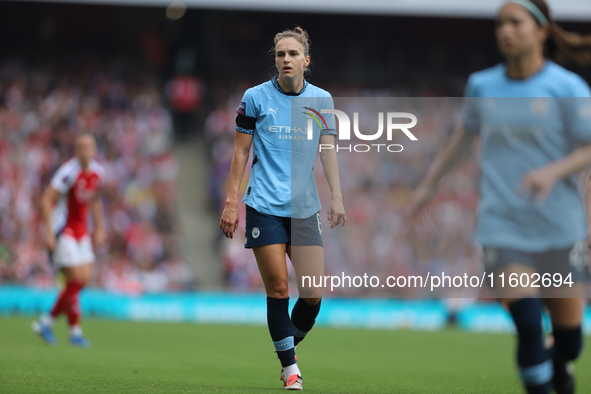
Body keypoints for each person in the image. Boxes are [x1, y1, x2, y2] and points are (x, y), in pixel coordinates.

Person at [406, 1, 591, 393]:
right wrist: (428, 185)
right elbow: (463, 137)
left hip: (560, 227)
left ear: (541, 30)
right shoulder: (483, 85)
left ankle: (558, 362)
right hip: (502, 226)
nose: (505, 30)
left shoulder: (567, 88)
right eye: (500, 23)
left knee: (571, 341)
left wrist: (552, 171)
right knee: (526, 323)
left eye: (515, 22)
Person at [219, 26, 346, 390]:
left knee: (312, 296)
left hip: (305, 208)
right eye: (280, 54)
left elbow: (328, 149)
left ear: (306, 60)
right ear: (275, 59)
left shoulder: (322, 100)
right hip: (263, 205)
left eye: (292, 54)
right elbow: (240, 153)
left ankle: (286, 348)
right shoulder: (255, 98)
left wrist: (336, 195)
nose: (285, 60)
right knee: (278, 290)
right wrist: (231, 204)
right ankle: (291, 370)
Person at [32, 133, 106, 348]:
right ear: (76, 150)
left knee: (83, 280)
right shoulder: (68, 172)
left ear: (94, 150)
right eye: (80, 147)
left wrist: (100, 228)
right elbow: (46, 199)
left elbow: (96, 200)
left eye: (88, 147)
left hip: (82, 231)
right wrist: (48, 233)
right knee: (75, 279)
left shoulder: (98, 172)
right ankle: (72, 330)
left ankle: (48, 322)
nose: (85, 151)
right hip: (63, 230)